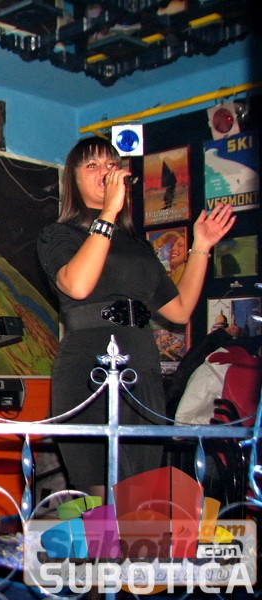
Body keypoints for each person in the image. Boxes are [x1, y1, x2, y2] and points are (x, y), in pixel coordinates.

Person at [36, 136, 234, 502]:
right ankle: (92, 540)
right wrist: (108, 214)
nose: (105, 172)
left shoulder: (137, 245)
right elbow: (78, 285)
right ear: (72, 180)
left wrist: (202, 246)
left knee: (139, 495)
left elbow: (179, 310)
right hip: (89, 368)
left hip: (141, 365)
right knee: (96, 495)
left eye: (111, 164)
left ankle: (132, 542)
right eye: (92, 165)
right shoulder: (58, 234)